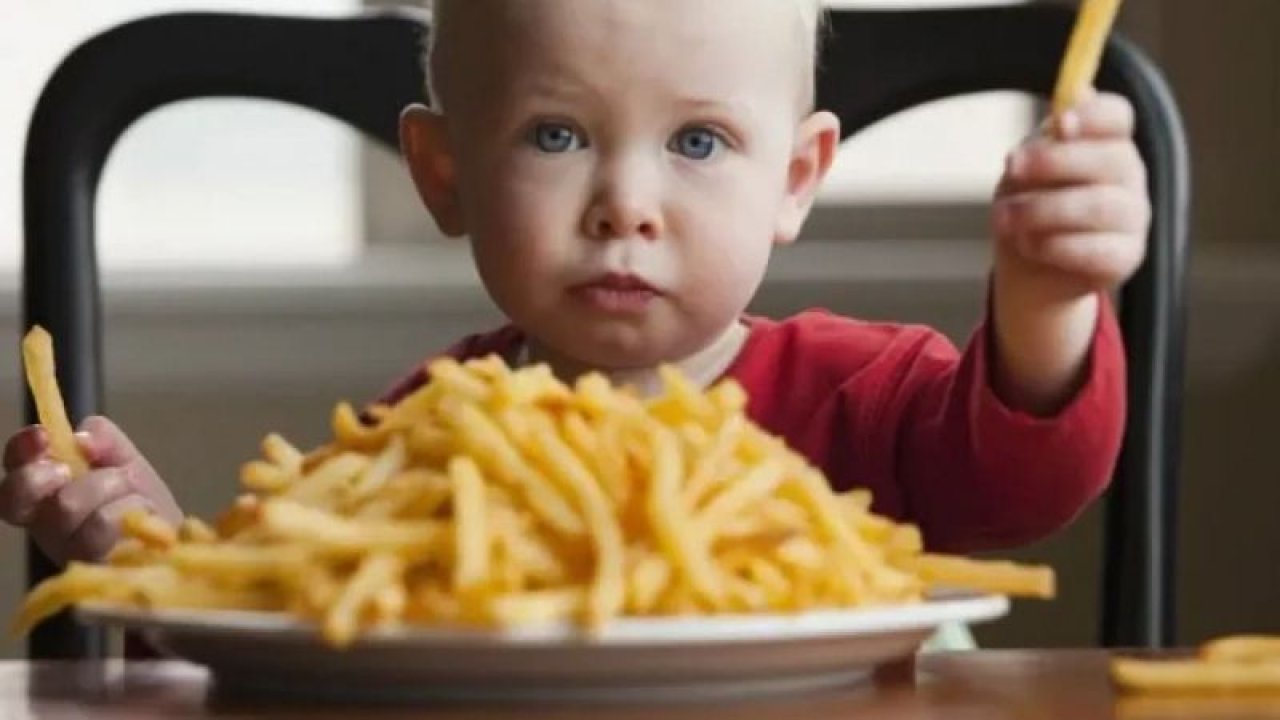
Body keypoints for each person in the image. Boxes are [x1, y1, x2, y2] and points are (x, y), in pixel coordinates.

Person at [1, 0, 1150, 572]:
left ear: (794, 181)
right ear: (444, 175)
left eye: (697, 143)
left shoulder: (868, 398)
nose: (624, 204)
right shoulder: (420, 439)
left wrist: (1044, 298)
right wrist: (155, 549)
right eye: (554, 136)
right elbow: (292, 643)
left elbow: (1023, 482)